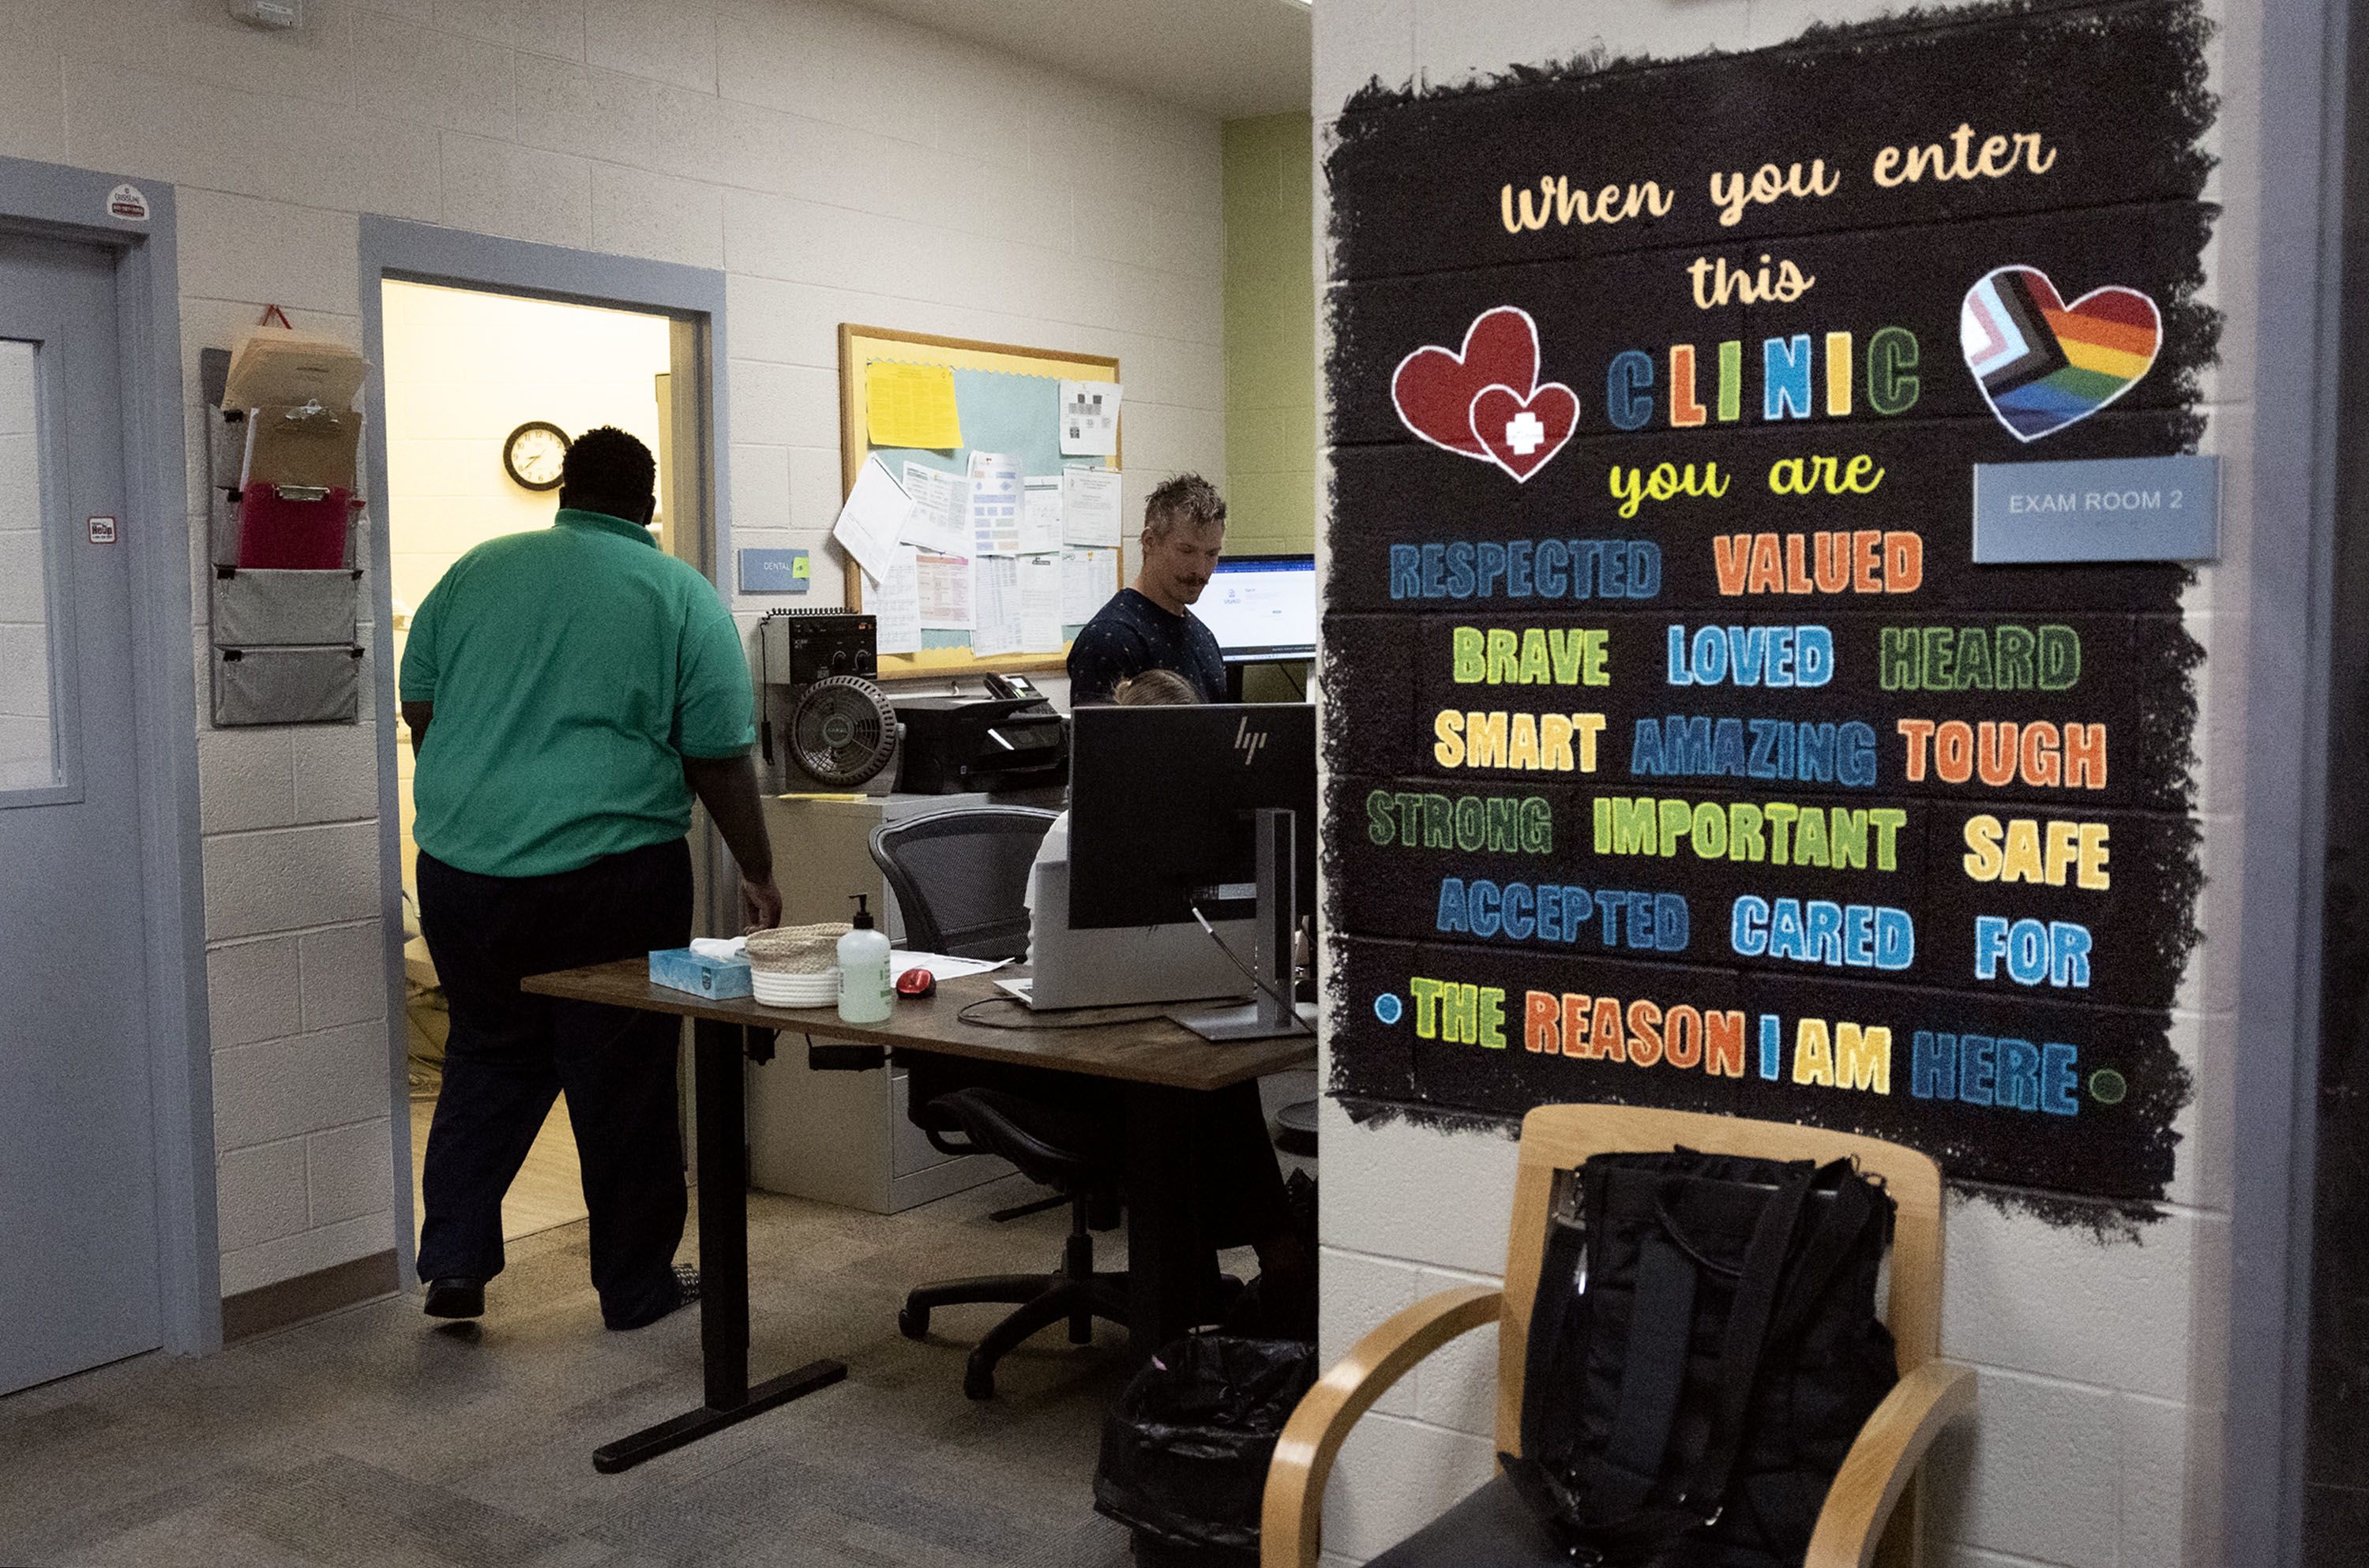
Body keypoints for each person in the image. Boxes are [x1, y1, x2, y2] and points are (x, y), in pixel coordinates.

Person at [398, 426, 781, 1331]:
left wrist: (484, 787)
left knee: (486, 1055)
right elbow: (719, 755)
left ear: (564, 490)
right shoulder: (679, 594)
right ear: (647, 505)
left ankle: (453, 1262)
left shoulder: (476, 569)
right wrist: (757, 870)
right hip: (609, 877)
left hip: (462, 871)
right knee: (624, 1078)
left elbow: (421, 703)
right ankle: (635, 1287)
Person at [1067, 473, 1229, 704]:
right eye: (1186, 551)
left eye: (1211, 554)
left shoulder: (1203, 637)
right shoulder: (1110, 639)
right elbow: (1098, 739)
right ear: (1150, 542)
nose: (1201, 570)